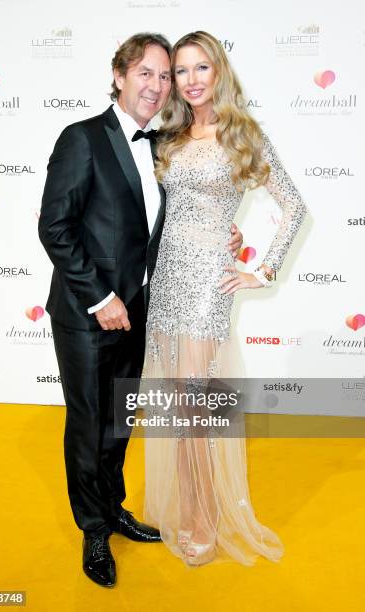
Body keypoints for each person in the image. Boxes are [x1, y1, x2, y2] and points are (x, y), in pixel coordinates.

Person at [38, 32, 243, 587]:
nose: (156, 86)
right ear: (120, 75)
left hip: (139, 314)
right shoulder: (81, 138)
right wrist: (101, 298)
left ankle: (115, 509)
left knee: (119, 423)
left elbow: (180, 216)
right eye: (146, 73)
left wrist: (226, 230)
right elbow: (54, 229)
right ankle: (93, 533)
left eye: (164, 75)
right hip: (87, 314)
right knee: (88, 423)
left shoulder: (162, 146)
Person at [142, 31, 307, 567]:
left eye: (200, 69)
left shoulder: (242, 135)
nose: (190, 81)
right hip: (165, 276)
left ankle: (203, 517)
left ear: (219, 73)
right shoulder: (168, 137)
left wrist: (263, 268)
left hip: (207, 283)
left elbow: (293, 206)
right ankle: (190, 506)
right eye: (181, 71)